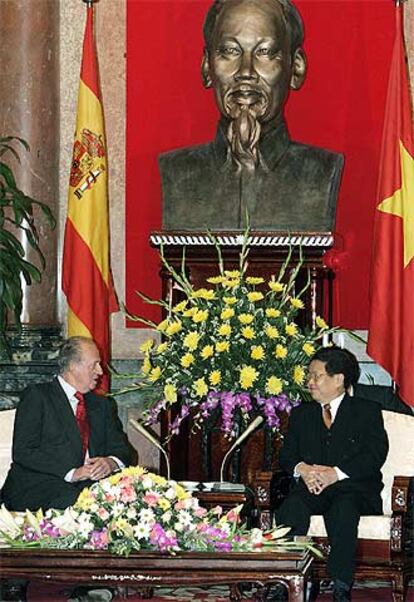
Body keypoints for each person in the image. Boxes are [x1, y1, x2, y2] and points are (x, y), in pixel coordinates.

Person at [159, 0, 343, 232]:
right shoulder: (177, 172)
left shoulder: (320, 173)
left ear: (296, 68)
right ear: (207, 67)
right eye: (230, 51)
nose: (246, 72)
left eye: (264, 52)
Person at [0, 336, 135, 602]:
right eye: (95, 365)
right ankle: (18, 577)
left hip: (88, 487)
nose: (100, 371)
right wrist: (73, 472)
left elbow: (123, 452)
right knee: (80, 501)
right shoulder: (37, 396)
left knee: (115, 500)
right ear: (73, 366)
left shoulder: (102, 405)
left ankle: (90, 581)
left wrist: (109, 462)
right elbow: (24, 452)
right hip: (38, 484)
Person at [274, 347, 388, 602]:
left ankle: (340, 585)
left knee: (344, 509)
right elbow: (286, 455)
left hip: (353, 489)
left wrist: (336, 474)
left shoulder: (367, 411)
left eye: (316, 376)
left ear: (338, 379)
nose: (309, 382)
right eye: (309, 376)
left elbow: (374, 455)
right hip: (311, 488)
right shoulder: (302, 413)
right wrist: (302, 470)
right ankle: (284, 581)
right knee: (292, 507)